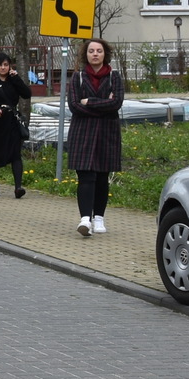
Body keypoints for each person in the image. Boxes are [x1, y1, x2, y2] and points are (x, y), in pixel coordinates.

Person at [66, 38, 126, 236]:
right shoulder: (77, 77)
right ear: (86, 54)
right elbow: (74, 106)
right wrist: (103, 105)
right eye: (91, 51)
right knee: (85, 175)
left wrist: (89, 102)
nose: (95, 54)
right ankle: (85, 219)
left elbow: (116, 103)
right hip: (82, 132)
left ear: (105, 54)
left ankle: (99, 218)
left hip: (107, 132)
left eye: (99, 51)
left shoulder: (114, 77)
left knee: (101, 177)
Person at [0, 53, 35, 199]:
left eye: (6, 65)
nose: (3, 68)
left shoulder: (13, 80)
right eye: (0, 65)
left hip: (11, 121)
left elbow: (27, 94)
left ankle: (18, 187)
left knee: (15, 153)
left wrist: (17, 78)